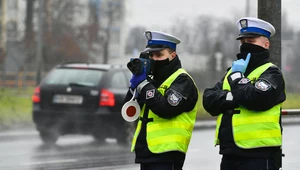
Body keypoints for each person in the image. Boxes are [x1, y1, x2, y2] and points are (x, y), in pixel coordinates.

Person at [202, 17, 286, 170]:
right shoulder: (233, 72)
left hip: (259, 154)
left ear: (266, 44)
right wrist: (234, 95)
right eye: (243, 41)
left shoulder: (271, 73)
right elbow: (209, 100)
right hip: (230, 152)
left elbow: (255, 98)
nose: (246, 45)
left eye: (251, 41)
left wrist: (237, 79)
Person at [123, 30, 199, 170]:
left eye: (159, 55)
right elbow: (129, 110)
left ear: (172, 55)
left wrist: (144, 85)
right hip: (147, 150)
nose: (154, 59)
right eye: (151, 55)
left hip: (167, 152)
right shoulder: (152, 80)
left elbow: (165, 108)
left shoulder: (182, 80)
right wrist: (134, 87)